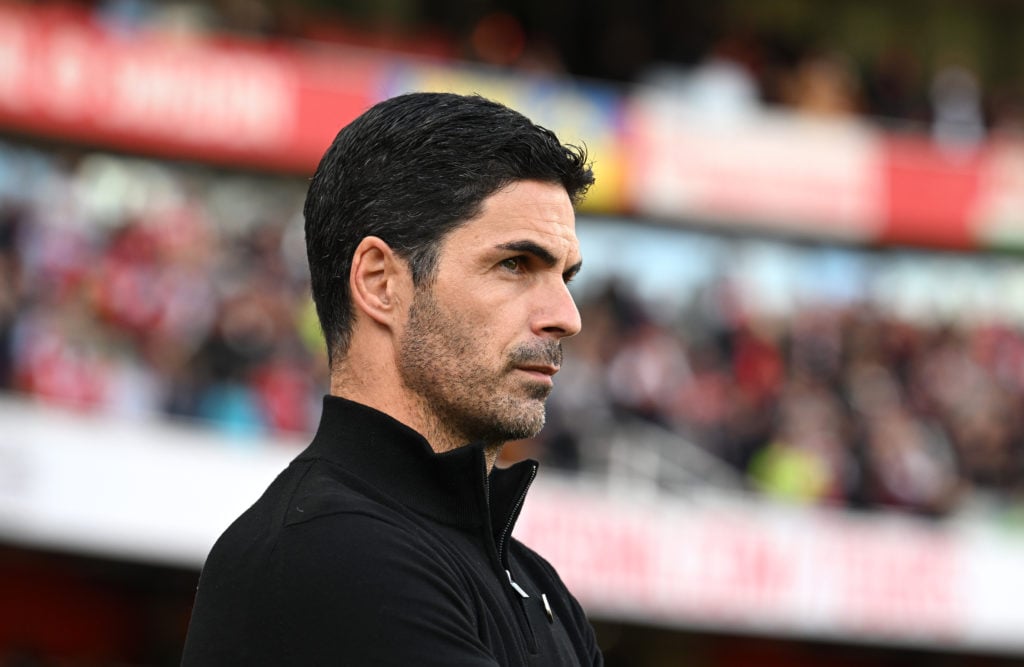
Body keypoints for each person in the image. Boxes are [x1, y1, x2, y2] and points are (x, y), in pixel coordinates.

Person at [181, 92, 602, 666]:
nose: (567, 317)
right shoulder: (329, 552)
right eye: (515, 265)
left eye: (565, 275)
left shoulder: (537, 583)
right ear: (381, 283)